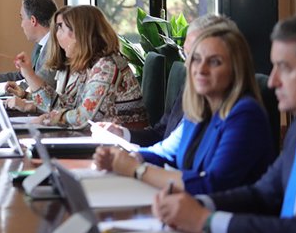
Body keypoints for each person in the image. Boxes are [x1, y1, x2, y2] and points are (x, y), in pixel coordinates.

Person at [153, 13, 296, 233]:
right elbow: (263, 194)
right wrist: (199, 204)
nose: (272, 81)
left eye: (285, 68)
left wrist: (206, 221)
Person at [94, 25, 274, 194]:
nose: (200, 69)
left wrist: (138, 170)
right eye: (195, 59)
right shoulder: (200, 107)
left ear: (237, 69)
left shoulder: (246, 115)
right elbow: (165, 152)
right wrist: (130, 157)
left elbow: (212, 184)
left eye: (215, 62)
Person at [94, 14, 239, 147]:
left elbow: (199, 172)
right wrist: (121, 134)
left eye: (213, 61)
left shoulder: (239, 115)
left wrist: (139, 168)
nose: (195, 67)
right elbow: (163, 135)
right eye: (188, 55)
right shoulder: (191, 90)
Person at [7, 5, 147, 128]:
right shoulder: (90, 65)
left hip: (122, 145)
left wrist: (50, 118)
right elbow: (63, 105)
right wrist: (28, 74)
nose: (56, 37)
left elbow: (84, 118)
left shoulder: (107, 66)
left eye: (60, 28)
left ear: (79, 33)